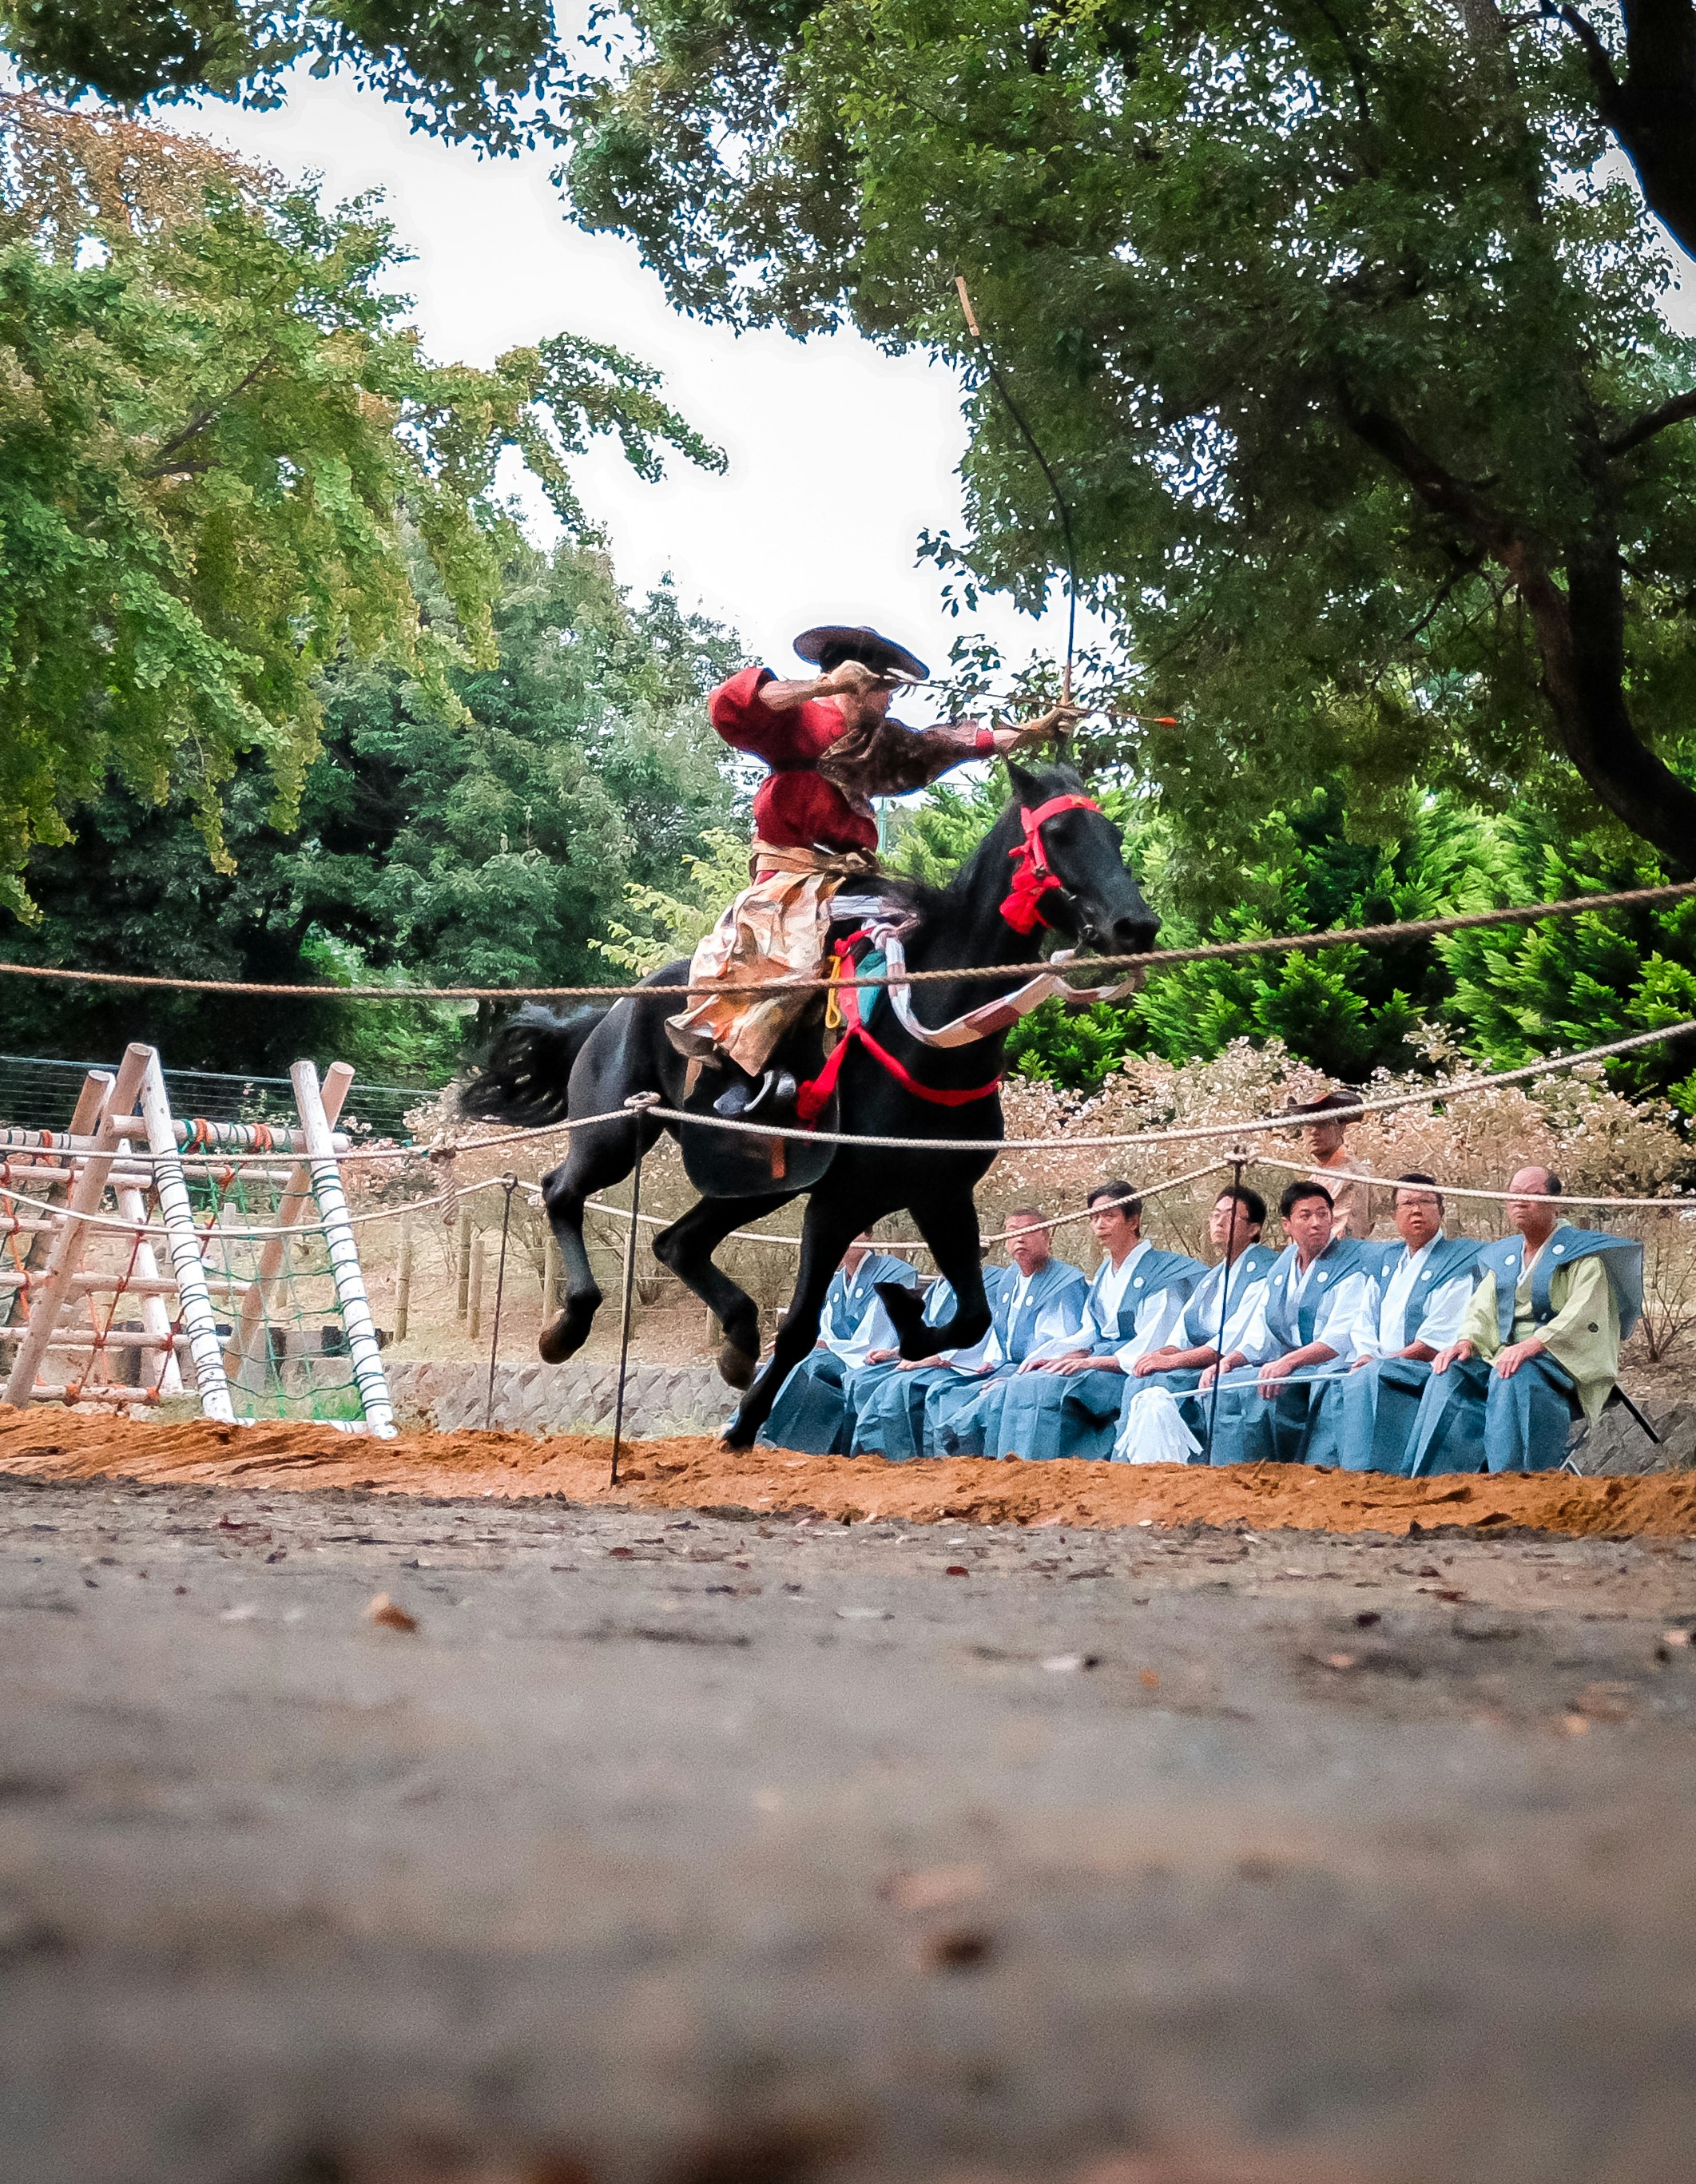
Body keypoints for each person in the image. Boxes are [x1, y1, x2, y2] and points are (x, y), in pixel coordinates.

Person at [666, 625, 1071, 1118]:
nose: (888, 702)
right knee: (779, 953)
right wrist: (823, 687)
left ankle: (880, 1052)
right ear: (854, 679)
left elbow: (946, 742)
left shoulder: (880, 742)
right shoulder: (797, 718)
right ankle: (738, 1069)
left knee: (917, 923)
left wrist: (1032, 732)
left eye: (892, 691)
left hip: (854, 876)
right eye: (884, 688)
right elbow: (732, 705)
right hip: (789, 878)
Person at [1404, 1168, 1643, 1476]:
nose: (1520, 1201)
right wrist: (1466, 1342)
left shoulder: (1584, 1256)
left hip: (1557, 1364)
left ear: (1557, 1203)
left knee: (1513, 1373)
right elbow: (1481, 1310)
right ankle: (1439, 1478)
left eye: (1532, 1195)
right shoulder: (1502, 1255)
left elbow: (1583, 1314)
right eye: (1514, 1193)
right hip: (1503, 1355)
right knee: (1448, 1372)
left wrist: (1533, 1344)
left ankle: (1515, 1478)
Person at [966, 1184, 1205, 1462]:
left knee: (1040, 1388)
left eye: (1109, 1216)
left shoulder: (1160, 1273)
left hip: (1129, 1367)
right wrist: (1065, 1355)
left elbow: (1155, 1342)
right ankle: (1014, 1467)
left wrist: (1091, 1362)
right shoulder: (1106, 1270)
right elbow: (1090, 1330)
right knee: (1027, 1381)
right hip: (1104, 1358)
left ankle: (1041, 1467)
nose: (1100, 1225)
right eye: (1094, 1218)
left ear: (1134, 1220)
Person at [1302, 1174, 1480, 1472]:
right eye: (1407, 1203)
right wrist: (1367, 1355)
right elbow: (1364, 1320)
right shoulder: (1386, 1261)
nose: (1416, 1210)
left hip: (1422, 1367)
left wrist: (1380, 1362)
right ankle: (1327, 1472)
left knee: (1370, 1376)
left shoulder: (1457, 1262)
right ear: (1394, 1214)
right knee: (1331, 1375)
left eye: (1425, 1202)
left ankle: (1370, 1472)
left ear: (1441, 1209)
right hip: (1381, 1362)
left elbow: (1435, 1339)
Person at [1193, 1180, 1372, 1465]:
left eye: (1323, 1214)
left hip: (1329, 1364)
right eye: (1306, 1215)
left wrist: (1289, 1362)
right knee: (1226, 1382)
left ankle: (1284, 1465)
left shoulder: (1350, 1263)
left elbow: (1340, 1336)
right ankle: (1231, 1469)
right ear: (1287, 1224)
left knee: (1269, 1382)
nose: (1316, 1223)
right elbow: (1263, 1330)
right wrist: (1231, 1359)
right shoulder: (1282, 1265)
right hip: (1291, 1364)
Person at [1112, 1185, 1280, 1463]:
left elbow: (1232, 1341)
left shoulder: (1264, 1271)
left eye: (1231, 1216)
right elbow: (1181, 1334)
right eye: (1215, 1215)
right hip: (1196, 1360)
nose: (1220, 1221)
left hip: (1236, 1361)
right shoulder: (1212, 1276)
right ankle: (1134, 1467)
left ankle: (1176, 1463)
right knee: (1143, 1376)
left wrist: (1171, 1363)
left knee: (1163, 1380)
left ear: (1253, 1229)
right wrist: (1161, 1354)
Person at [927, 1209, 1089, 1456]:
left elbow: (1064, 1345)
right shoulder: (1010, 1278)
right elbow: (1000, 1329)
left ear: (1048, 1235)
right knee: (946, 1394)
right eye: (1013, 1232)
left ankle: (990, 1464)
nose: (1020, 1238)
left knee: (987, 1401)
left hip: (1043, 1369)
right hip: (1007, 1365)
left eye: (1029, 1230)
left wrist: (1017, 1374)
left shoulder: (1064, 1282)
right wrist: (992, 1361)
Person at [757, 1232, 919, 1454]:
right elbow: (825, 1331)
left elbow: (876, 1338)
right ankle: (749, 1423)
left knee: (813, 1361)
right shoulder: (836, 1283)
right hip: (838, 1355)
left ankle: (765, 1432)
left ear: (869, 1236)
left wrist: (826, 1346)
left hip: (870, 1358)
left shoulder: (893, 1274)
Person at [846, 1261, 1011, 1459]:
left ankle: (903, 1459)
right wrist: (895, 1352)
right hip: (932, 1358)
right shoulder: (937, 1287)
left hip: (961, 1364)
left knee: (897, 1387)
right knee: (863, 1378)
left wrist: (935, 1357)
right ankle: (860, 1455)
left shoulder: (986, 1285)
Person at [1283, 1088, 1376, 1237]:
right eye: (1308, 1124)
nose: (1313, 1131)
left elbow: (1342, 1237)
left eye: (1322, 1123)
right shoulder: (1317, 1175)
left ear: (1341, 1127)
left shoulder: (1351, 1176)